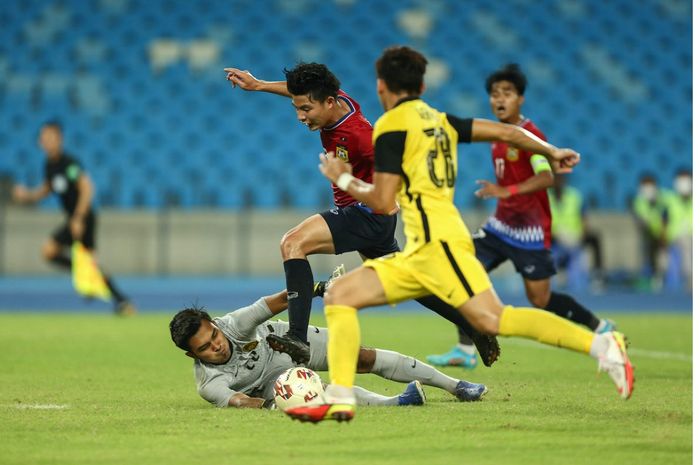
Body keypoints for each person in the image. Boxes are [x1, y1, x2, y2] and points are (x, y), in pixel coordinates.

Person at [285, 46, 634, 423]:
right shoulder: (440, 119)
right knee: (341, 296)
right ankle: (340, 398)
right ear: (419, 85)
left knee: (493, 319)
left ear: (382, 86)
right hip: (429, 243)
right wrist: (552, 151)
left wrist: (343, 177)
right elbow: (506, 131)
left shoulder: (388, 128)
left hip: (439, 245)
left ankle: (601, 345)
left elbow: (384, 202)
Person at [223, 63, 499, 367]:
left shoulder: (360, 136)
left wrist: (395, 198)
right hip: (367, 218)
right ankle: (475, 325)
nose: (300, 116)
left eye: (305, 109)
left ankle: (298, 338)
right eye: (297, 108)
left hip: (366, 213)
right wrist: (258, 84)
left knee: (293, 243)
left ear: (328, 102)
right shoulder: (337, 101)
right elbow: (299, 92)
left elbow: (399, 165)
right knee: (408, 282)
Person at [426, 64, 613, 370]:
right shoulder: (498, 136)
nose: (499, 99)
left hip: (530, 233)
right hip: (500, 228)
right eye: (494, 94)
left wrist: (505, 191)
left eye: (507, 93)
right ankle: (465, 349)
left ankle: (600, 328)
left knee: (540, 299)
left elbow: (546, 177)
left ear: (520, 99)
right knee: (460, 268)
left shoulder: (531, 136)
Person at [169, 282, 488, 409]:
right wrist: (275, 406)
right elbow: (238, 402)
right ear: (191, 355)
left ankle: (456, 385)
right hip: (274, 384)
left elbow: (280, 300)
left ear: (214, 325)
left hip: (284, 342)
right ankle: (397, 403)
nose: (217, 346)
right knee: (322, 394)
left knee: (359, 357)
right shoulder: (210, 383)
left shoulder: (235, 323)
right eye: (206, 348)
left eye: (214, 336)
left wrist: (318, 288)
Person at [11, 121, 135, 315]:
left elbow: (87, 188)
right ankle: (92, 282)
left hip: (83, 218)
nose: (46, 141)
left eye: (50, 137)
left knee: (86, 262)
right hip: (73, 219)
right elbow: (46, 189)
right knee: (52, 253)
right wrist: (27, 195)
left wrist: (78, 218)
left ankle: (123, 301)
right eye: (43, 138)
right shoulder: (49, 165)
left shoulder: (68, 163)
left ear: (59, 139)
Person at [549, 174, 605, 292]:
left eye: (560, 179)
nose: (558, 183)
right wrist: (556, 235)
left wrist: (581, 235)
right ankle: (553, 275)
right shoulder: (546, 197)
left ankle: (597, 275)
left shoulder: (574, 196)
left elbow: (584, 218)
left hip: (575, 237)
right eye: (556, 180)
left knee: (594, 238)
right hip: (555, 239)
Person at [632, 173, 669, 291]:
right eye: (645, 186)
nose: (648, 189)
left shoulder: (665, 198)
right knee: (649, 243)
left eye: (650, 185)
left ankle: (661, 275)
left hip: (668, 234)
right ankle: (654, 275)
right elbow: (641, 221)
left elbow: (667, 218)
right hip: (651, 236)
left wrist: (664, 233)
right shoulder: (639, 201)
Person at [664, 168, 692, 291]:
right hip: (675, 238)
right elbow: (663, 220)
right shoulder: (669, 199)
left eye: (686, 180)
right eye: (681, 181)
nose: (683, 184)